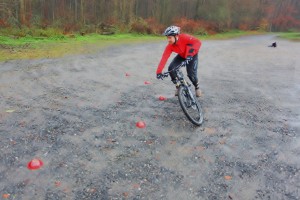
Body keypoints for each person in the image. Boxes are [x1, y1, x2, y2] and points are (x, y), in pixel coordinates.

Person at [156, 25, 202, 97]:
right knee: (171, 68)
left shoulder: (184, 37)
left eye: (170, 37)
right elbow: (164, 58)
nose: (168, 40)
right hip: (181, 56)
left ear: (176, 36)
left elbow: (197, 42)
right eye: (167, 38)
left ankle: (197, 87)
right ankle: (177, 86)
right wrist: (159, 72)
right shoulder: (170, 46)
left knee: (191, 74)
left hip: (192, 55)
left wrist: (190, 55)